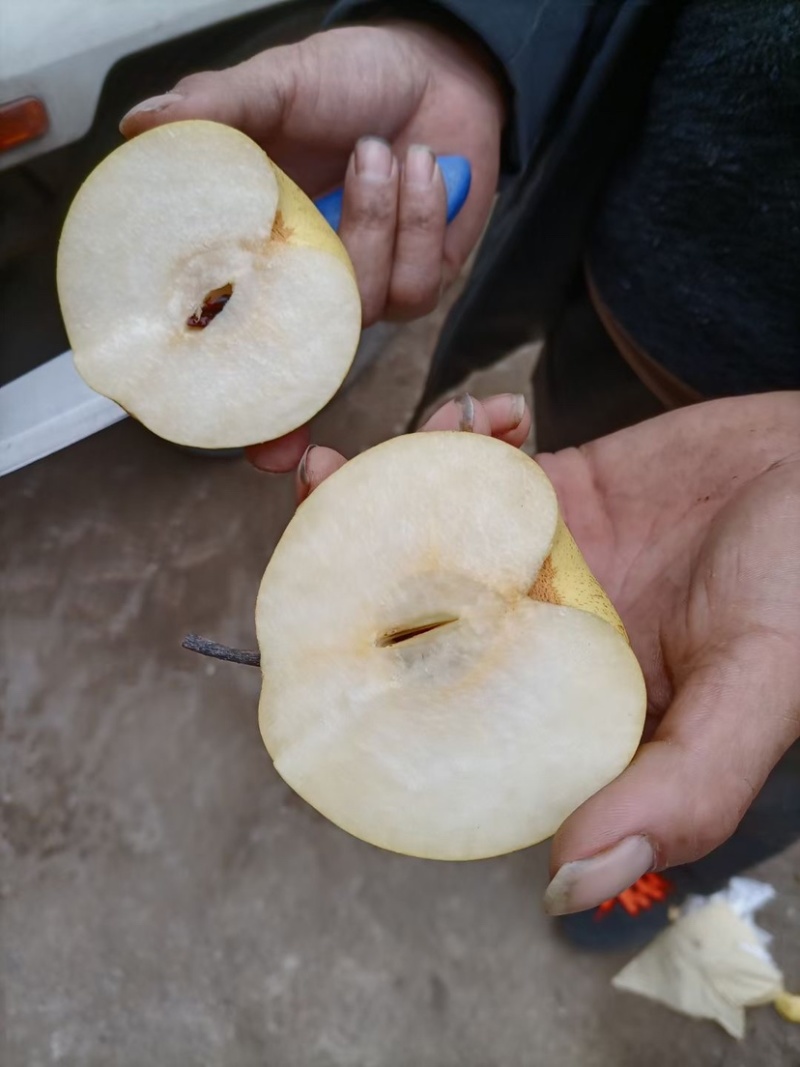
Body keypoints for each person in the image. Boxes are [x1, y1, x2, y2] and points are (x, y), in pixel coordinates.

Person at [119, 0, 800, 946]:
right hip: (622, 310)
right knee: (573, 476)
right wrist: (467, 46)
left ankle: (662, 875)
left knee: (761, 726)